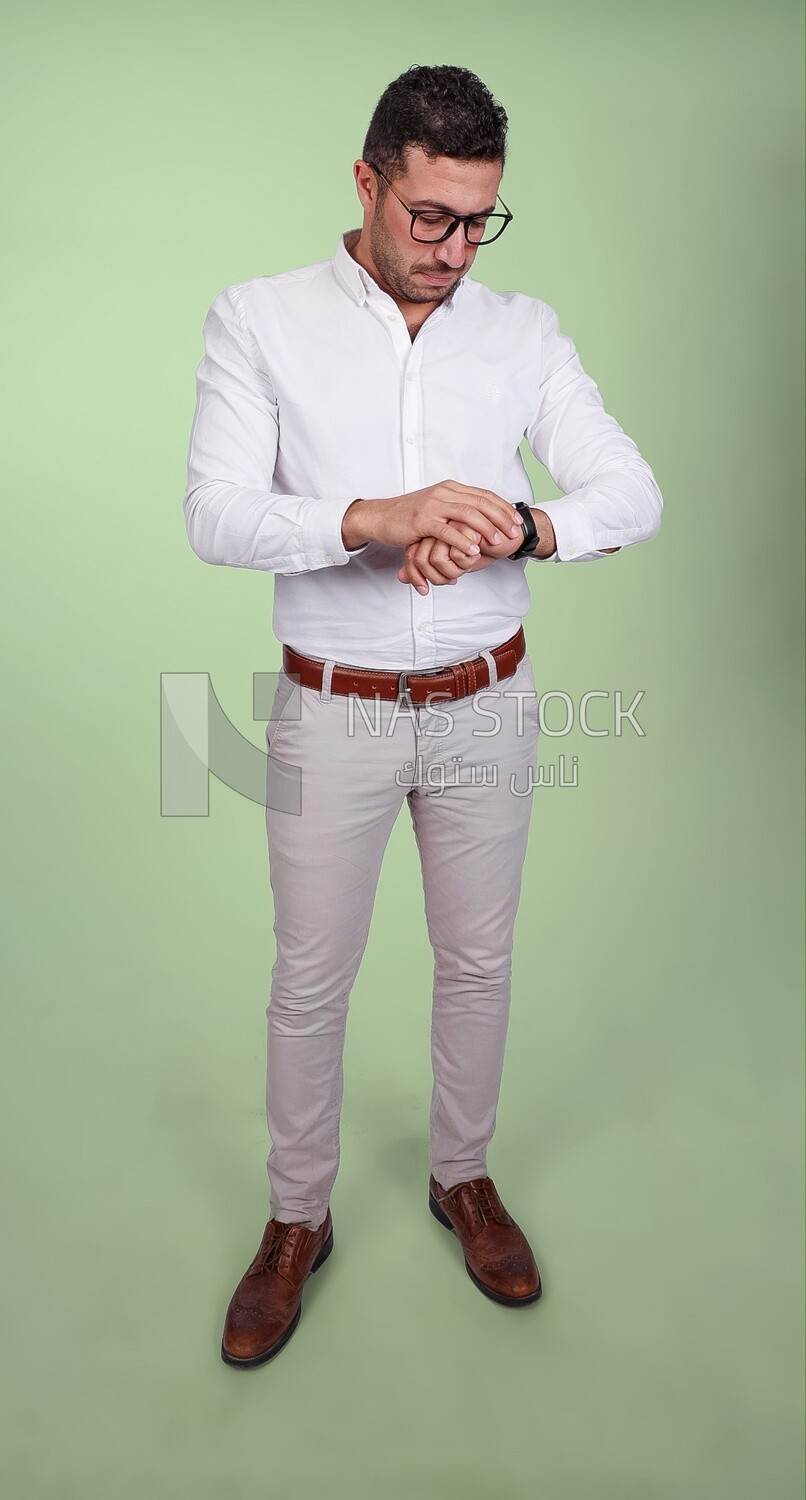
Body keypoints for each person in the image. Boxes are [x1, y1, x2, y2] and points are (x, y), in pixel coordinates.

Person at [183, 63, 663, 1369]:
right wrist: (368, 520)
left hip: (483, 706)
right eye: (428, 217)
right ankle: (297, 1219)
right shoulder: (259, 320)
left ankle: (462, 1177)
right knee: (308, 981)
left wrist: (520, 522)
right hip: (327, 711)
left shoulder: (523, 333)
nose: (451, 249)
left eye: (476, 221)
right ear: (367, 182)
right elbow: (216, 514)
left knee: (478, 963)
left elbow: (631, 490)